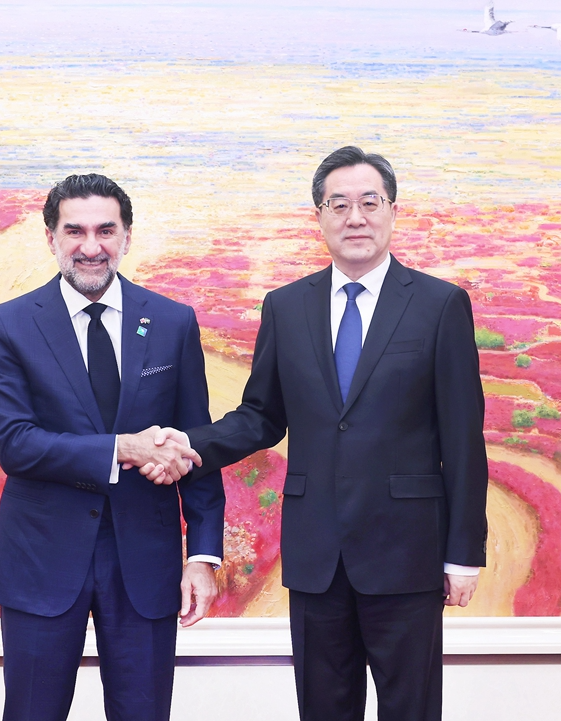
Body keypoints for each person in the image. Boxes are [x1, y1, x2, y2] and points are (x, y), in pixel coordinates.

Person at [148, 147, 488, 721]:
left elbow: (463, 439)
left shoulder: (439, 305)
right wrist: (189, 445)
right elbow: (261, 416)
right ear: (320, 217)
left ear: (393, 211)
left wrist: (463, 554)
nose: (356, 217)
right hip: (317, 556)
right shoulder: (286, 307)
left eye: (369, 203)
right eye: (339, 205)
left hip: (408, 553)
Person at [0, 173, 225, 721]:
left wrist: (204, 556)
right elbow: (15, 445)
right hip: (41, 559)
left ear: (127, 236)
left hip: (146, 562)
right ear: (51, 237)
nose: (91, 247)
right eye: (76, 231)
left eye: (106, 230)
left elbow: (195, 446)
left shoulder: (172, 322)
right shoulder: (6, 327)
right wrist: (124, 449)